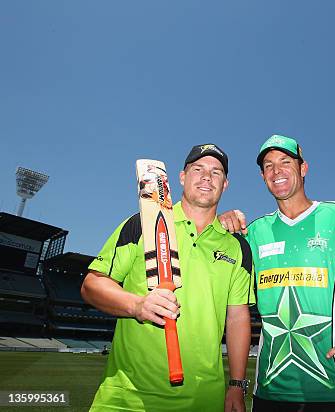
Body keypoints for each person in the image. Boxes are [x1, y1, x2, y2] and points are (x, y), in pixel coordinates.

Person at [220, 135, 335, 412]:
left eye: (285, 162)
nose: (276, 171)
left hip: (333, 391)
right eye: (268, 166)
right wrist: (221, 225)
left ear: (303, 168)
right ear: (263, 176)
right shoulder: (255, 232)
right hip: (269, 392)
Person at [81, 144, 255, 412]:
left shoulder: (238, 247)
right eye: (198, 169)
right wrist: (137, 306)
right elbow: (92, 284)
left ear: (226, 184)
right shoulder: (141, 224)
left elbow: (237, 317)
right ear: (182, 177)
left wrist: (236, 383)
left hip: (204, 399)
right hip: (127, 397)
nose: (207, 176)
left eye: (216, 172)